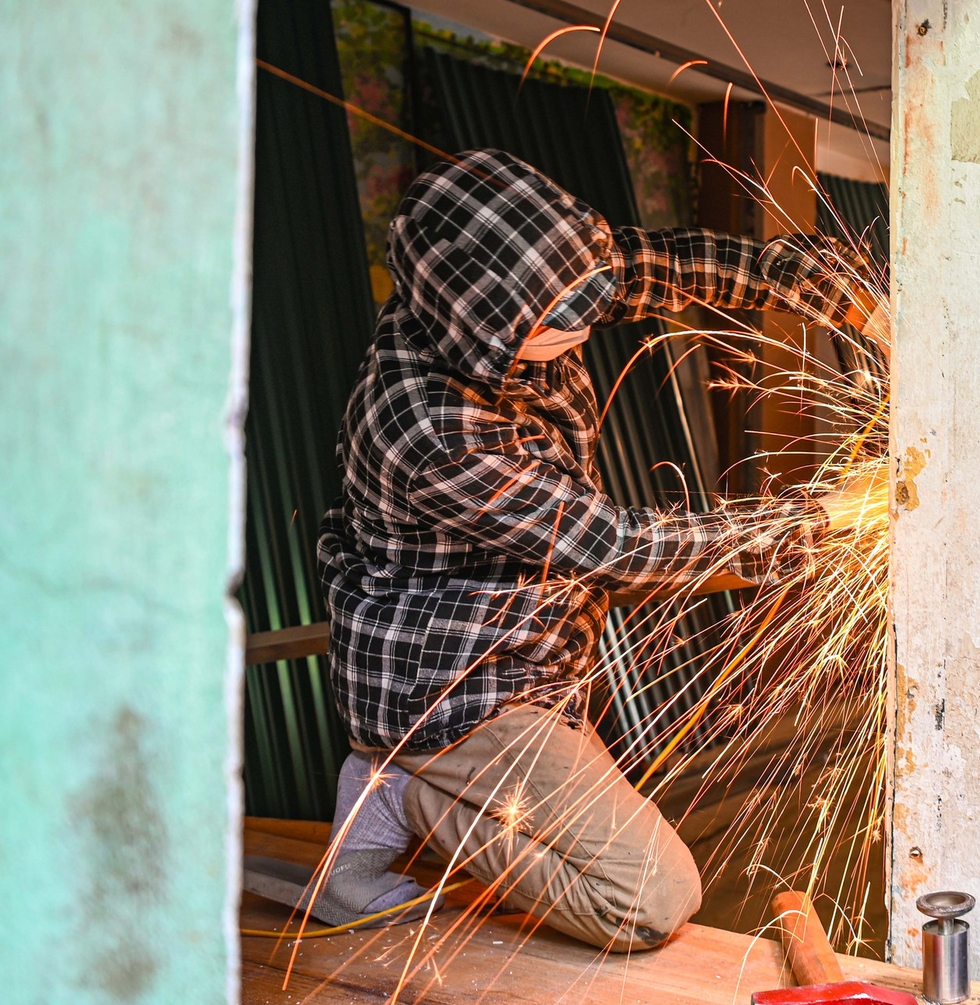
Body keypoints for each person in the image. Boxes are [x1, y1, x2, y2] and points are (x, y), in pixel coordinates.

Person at [255, 149, 884, 949]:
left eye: (586, 294)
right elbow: (612, 545)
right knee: (646, 897)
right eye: (560, 314)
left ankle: (389, 809)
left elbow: (671, 268)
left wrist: (832, 295)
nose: (587, 319)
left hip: (526, 650)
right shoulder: (427, 428)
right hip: (451, 689)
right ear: (485, 324)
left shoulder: (533, 282)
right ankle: (410, 786)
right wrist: (820, 518)